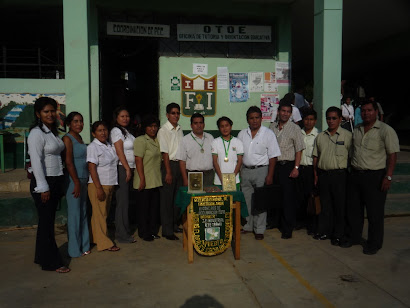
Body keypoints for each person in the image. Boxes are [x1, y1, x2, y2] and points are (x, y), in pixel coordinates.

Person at [342, 100, 399, 255]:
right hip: (356, 174)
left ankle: (374, 243)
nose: (366, 113)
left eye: (369, 110)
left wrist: (388, 176)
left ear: (376, 112)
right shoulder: (358, 129)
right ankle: (354, 237)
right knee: (354, 210)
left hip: (375, 176)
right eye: (363, 111)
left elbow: (392, 154)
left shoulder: (385, 130)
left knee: (375, 213)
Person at [27, 97, 70, 273]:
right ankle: (51, 262)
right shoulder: (36, 134)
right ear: (38, 114)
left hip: (55, 180)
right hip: (44, 182)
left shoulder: (52, 132)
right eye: (46, 111)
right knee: (47, 225)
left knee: (46, 222)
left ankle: (41, 256)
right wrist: (43, 187)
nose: (50, 114)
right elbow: (36, 162)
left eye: (53, 111)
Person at [238, 106, 281, 240]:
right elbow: (238, 155)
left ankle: (260, 229)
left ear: (261, 119)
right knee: (247, 200)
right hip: (245, 170)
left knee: (260, 201)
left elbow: (273, 156)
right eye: (252, 118)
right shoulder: (241, 134)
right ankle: (248, 225)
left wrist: (270, 175)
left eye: (257, 118)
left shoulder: (268, 134)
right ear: (247, 120)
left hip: (262, 170)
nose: (254, 121)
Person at [312, 107, 352, 246]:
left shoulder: (347, 136)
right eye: (328, 118)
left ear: (340, 119)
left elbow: (352, 157)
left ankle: (338, 234)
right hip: (323, 175)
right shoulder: (321, 136)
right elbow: (316, 157)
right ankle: (324, 231)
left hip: (340, 176)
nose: (331, 121)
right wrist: (316, 175)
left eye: (334, 118)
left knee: (339, 206)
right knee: (325, 206)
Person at [269, 100, 305, 239]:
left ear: (291, 114)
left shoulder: (295, 128)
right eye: (283, 111)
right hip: (274, 166)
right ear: (278, 112)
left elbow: (299, 149)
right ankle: (275, 222)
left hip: (288, 166)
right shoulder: (272, 127)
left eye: (288, 112)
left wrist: (296, 167)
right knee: (275, 196)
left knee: (288, 199)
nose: (285, 114)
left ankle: (287, 228)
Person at [87, 121, 120, 252]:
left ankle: (94, 238)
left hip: (110, 183)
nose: (103, 133)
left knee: (100, 214)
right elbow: (91, 168)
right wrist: (99, 188)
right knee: (100, 215)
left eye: (105, 130)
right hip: (98, 185)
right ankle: (105, 243)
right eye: (99, 130)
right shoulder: (93, 147)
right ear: (94, 133)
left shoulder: (108, 145)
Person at [62, 112, 90, 258]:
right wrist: (77, 183)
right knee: (74, 215)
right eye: (75, 121)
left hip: (84, 179)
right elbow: (68, 162)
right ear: (69, 124)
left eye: (81, 121)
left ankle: (84, 245)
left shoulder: (79, 138)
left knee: (83, 212)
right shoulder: (68, 139)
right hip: (74, 180)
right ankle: (74, 250)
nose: (79, 124)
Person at [133, 115, 163, 242]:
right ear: (145, 128)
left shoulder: (157, 140)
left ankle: (152, 231)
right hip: (144, 179)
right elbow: (138, 160)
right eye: (150, 126)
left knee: (153, 208)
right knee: (143, 208)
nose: (153, 129)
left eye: (155, 126)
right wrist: (142, 179)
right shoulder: (140, 140)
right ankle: (143, 233)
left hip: (155, 179)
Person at [157, 103, 184, 241]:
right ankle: (167, 230)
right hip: (169, 165)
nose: (176, 115)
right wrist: (168, 172)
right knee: (167, 200)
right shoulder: (163, 130)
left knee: (177, 198)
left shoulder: (180, 129)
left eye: (178, 113)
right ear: (167, 115)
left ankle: (174, 224)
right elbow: (165, 153)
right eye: (173, 113)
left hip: (180, 165)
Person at [110, 106, 136, 244]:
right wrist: (127, 169)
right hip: (122, 168)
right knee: (122, 202)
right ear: (116, 118)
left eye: (127, 116)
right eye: (122, 116)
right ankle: (121, 234)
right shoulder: (116, 131)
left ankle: (125, 230)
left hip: (130, 168)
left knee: (125, 201)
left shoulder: (127, 132)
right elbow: (119, 151)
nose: (125, 118)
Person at [296, 108, 319, 234]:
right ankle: (301, 222)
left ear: (315, 121)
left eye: (311, 120)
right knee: (300, 197)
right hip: (300, 169)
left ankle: (312, 225)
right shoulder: (299, 133)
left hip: (311, 170)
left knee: (311, 198)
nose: (308, 122)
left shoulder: (318, 135)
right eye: (306, 119)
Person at [176, 113, 214, 187]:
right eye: (195, 123)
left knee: (208, 198)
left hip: (209, 175)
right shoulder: (185, 140)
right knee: (194, 198)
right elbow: (182, 162)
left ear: (204, 124)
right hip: (193, 176)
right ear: (191, 125)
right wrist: (185, 179)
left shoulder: (210, 138)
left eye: (201, 123)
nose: (198, 125)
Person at [211, 116, 244, 189]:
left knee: (234, 200)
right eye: (222, 126)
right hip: (219, 181)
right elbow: (215, 162)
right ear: (219, 128)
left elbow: (239, 161)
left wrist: (232, 178)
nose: (225, 128)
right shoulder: (215, 142)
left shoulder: (238, 142)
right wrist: (222, 179)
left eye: (227, 126)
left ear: (231, 127)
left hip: (235, 180)